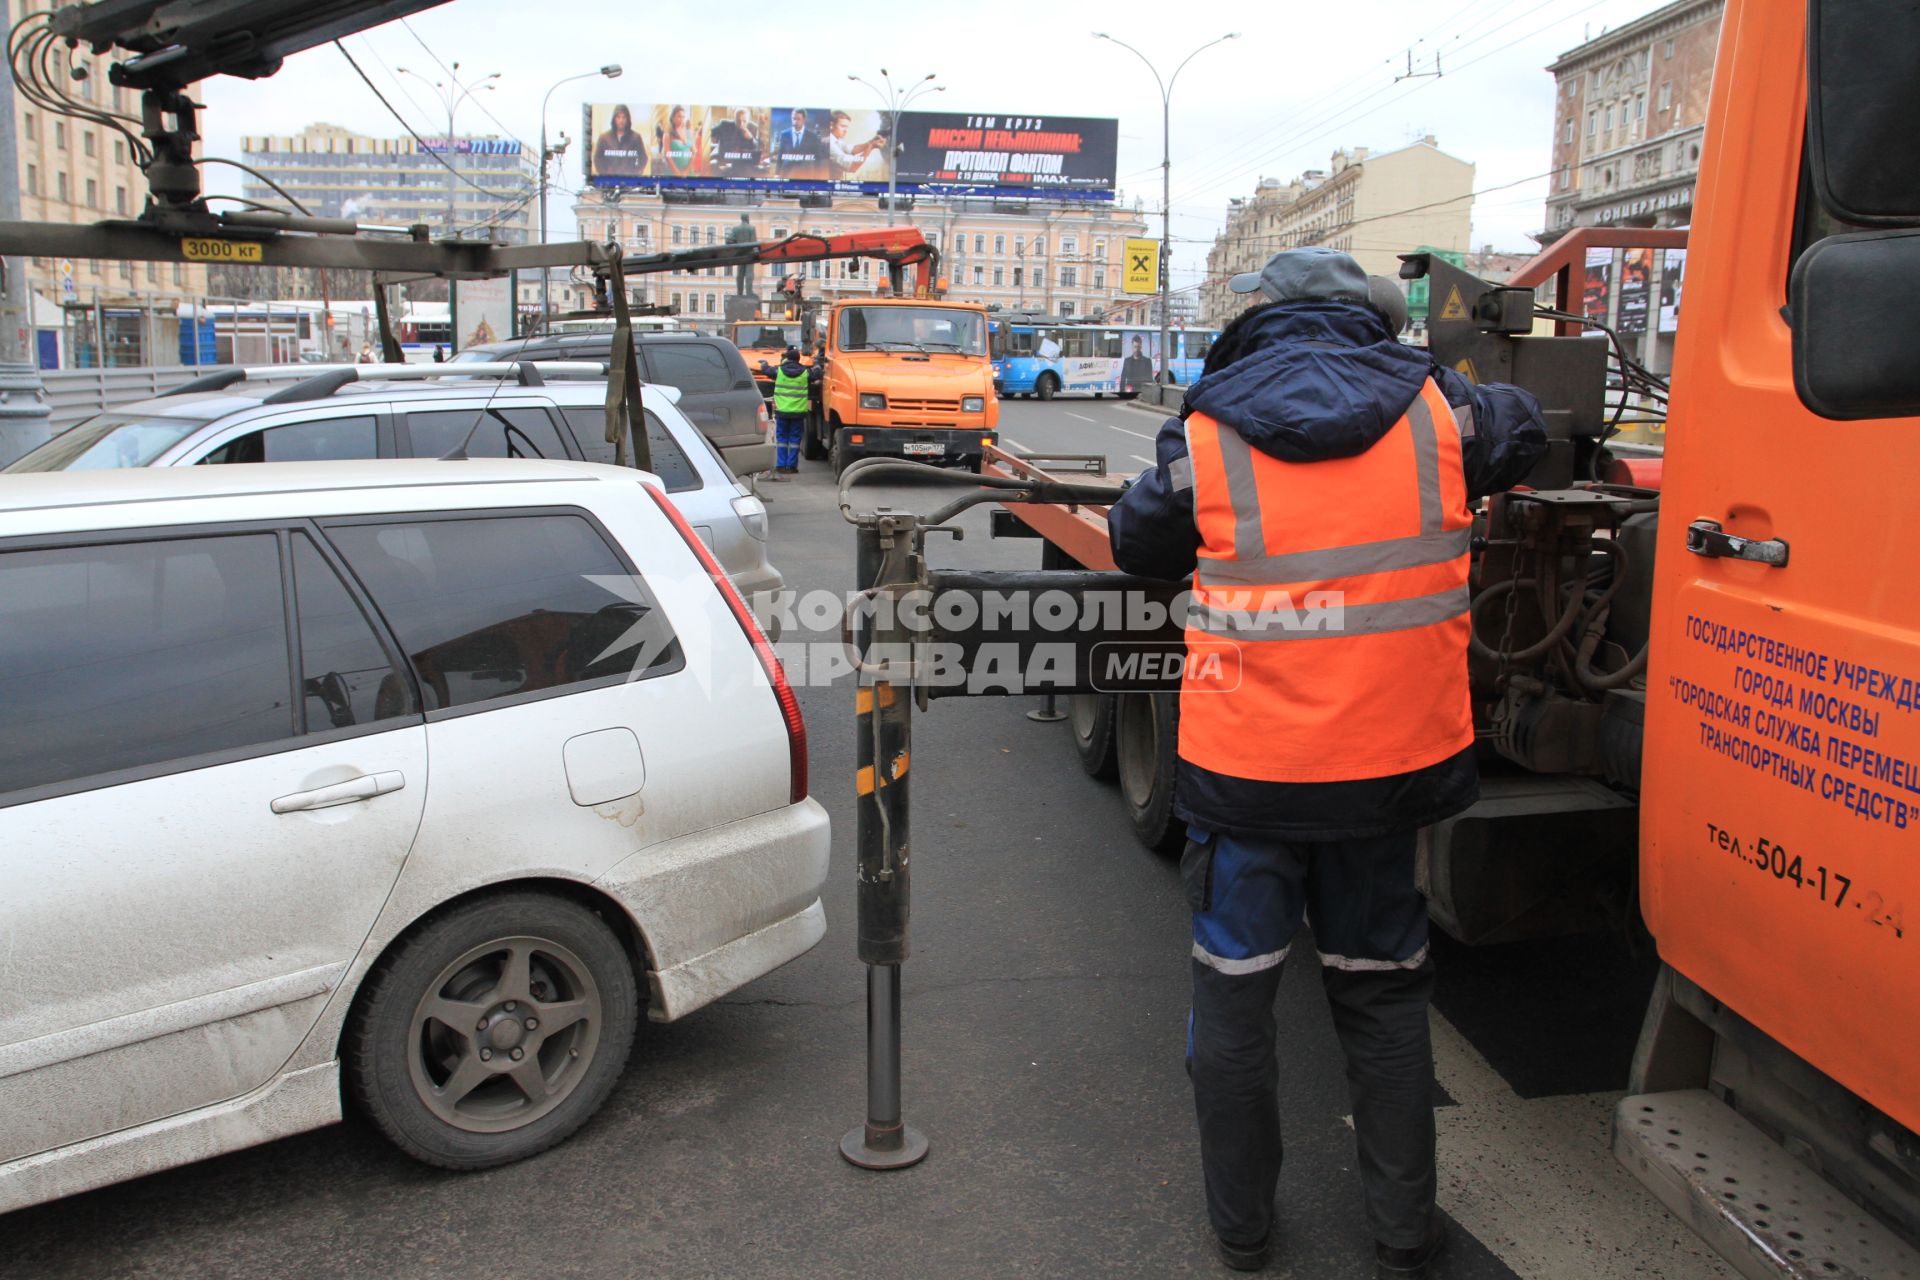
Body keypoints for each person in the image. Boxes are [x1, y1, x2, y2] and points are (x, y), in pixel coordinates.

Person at [1106, 248, 1547, 1277]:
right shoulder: (1445, 409)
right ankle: (1401, 1236)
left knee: (1235, 997)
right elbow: (1523, 428)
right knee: (1383, 995)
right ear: (1370, 314)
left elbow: (1138, 541)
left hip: (1247, 775)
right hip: (1388, 772)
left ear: (1262, 312)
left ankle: (1244, 1232)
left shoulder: (1207, 425)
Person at [762, 346, 814, 477]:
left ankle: (780, 465)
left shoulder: (779, 370)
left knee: (781, 439)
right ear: (798, 359)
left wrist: (764, 363)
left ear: (787, 358)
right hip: (798, 413)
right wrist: (818, 365)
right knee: (795, 440)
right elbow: (816, 374)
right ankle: (791, 466)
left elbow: (766, 370)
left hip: (782, 412)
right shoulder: (804, 372)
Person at [592, 104, 648, 178]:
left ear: (628, 119)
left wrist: (635, 173)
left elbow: (643, 158)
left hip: (630, 181)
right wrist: (605, 174)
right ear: (614, 119)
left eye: (624, 117)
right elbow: (597, 159)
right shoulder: (604, 138)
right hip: (609, 182)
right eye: (618, 117)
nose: (621, 121)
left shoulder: (636, 137)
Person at [826, 110, 885, 178]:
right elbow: (852, 166)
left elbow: (852, 149)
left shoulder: (837, 140)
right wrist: (871, 147)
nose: (846, 130)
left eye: (846, 127)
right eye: (843, 126)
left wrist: (871, 142)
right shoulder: (829, 144)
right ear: (831, 125)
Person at [657, 106, 702, 178]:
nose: (682, 119)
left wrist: (686, 171)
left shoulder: (688, 132)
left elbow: (694, 151)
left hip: (688, 171)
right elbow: (667, 156)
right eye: (679, 117)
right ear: (672, 118)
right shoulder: (668, 134)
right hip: (673, 172)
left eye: (683, 117)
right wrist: (677, 173)